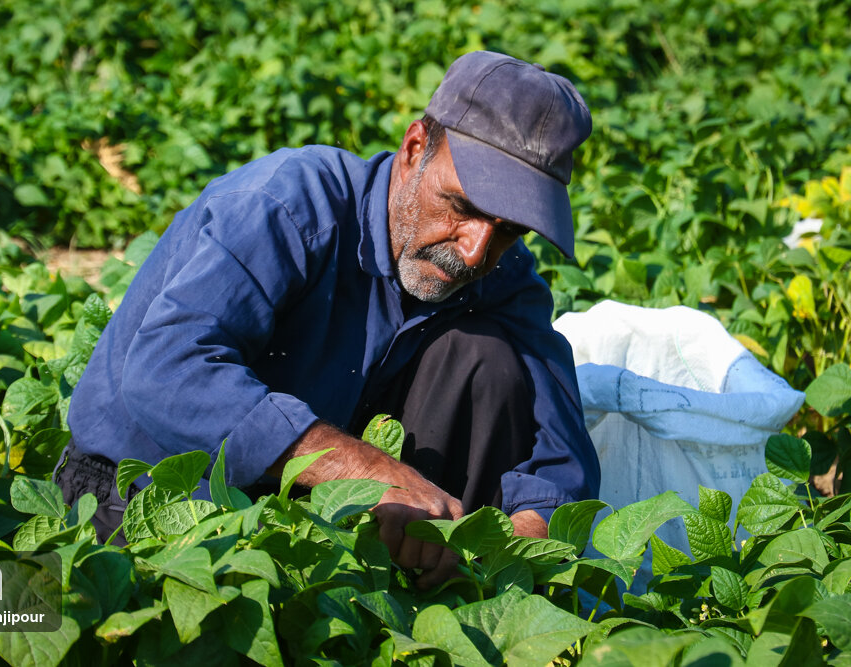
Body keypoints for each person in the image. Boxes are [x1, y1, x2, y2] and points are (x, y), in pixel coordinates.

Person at [56, 50, 601, 588]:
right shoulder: (286, 205)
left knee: (489, 357)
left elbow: (560, 451)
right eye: (461, 206)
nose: (478, 251)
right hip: (144, 495)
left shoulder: (497, 274)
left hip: (304, 513)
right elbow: (166, 371)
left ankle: (439, 590)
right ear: (414, 148)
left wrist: (522, 536)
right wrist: (367, 473)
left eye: (509, 229)